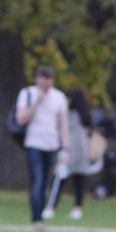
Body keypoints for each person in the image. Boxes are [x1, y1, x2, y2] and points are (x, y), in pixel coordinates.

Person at [15, 65, 69, 229]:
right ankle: (37, 219)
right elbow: (20, 119)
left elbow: (63, 124)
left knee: (46, 183)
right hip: (34, 144)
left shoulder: (59, 97)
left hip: (51, 145)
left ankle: (42, 214)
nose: (45, 86)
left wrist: (65, 148)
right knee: (37, 182)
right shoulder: (28, 94)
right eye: (42, 82)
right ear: (37, 80)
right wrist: (37, 102)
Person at [47, 89, 93, 220]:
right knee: (79, 181)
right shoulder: (85, 115)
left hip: (68, 151)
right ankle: (77, 208)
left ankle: (51, 207)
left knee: (60, 179)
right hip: (82, 151)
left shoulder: (69, 114)